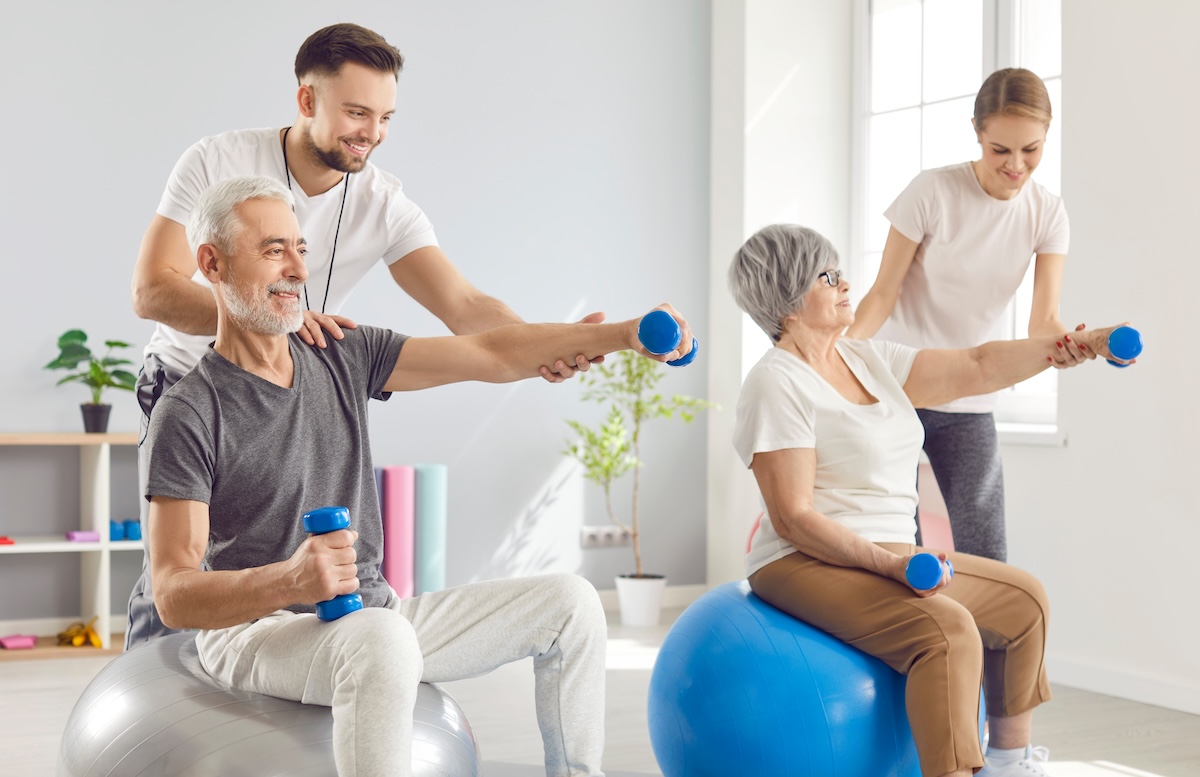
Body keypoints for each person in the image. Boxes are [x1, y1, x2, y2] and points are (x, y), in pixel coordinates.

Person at [146, 175, 693, 777]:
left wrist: (622, 335)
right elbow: (172, 592)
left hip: (374, 616)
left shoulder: (341, 353)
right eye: (274, 250)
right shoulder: (190, 410)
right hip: (255, 633)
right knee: (382, 640)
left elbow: (491, 352)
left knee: (573, 604)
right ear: (212, 264)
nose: (298, 269)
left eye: (300, 248)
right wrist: (289, 580)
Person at [127, 22, 602, 648]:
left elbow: (466, 307)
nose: (372, 133)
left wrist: (545, 346)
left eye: (385, 117)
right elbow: (153, 290)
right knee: (176, 578)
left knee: (296, 568)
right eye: (356, 112)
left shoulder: (384, 203)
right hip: (190, 381)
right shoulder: (218, 161)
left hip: (293, 386)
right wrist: (287, 318)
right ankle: (151, 681)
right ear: (307, 100)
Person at [728, 224, 1132, 777]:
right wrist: (890, 565)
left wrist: (1075, 348)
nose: (845, 284)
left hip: (891, 551)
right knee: (948, 630)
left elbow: (978, 365)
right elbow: (794, 518)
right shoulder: (776, 383)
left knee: (1024, 604)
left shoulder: (868, 360)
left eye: (839, 271)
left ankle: (1008, 764)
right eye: (826, 276)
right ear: (787, 301)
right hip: (803, 560)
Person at [845, 67, 1078, 562]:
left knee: (988, 554)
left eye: (1031, 149)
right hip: (895, 390)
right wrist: (838, 354)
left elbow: (1043, 323)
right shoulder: (932, 191)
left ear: (1046, 135)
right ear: (977, 131)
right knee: (899, 551)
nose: (1016, 164)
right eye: (1000, 149)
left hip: (969, 399)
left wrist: (1076, 345)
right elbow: (882, 294)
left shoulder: (1048, 213)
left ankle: (983, 624)